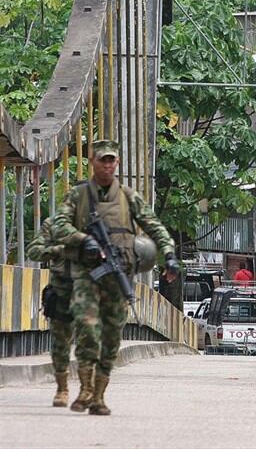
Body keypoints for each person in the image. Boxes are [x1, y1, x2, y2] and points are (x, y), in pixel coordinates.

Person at [53, 140, 179, 415]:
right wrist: (83, 239)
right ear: (92, 162)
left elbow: (154, 226)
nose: (107, 165)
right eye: (102, 160)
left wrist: (169, 254)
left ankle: (98, 396)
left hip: (119, 276)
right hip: (87, 276)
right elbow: (58, 224)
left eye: (112, 161)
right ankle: (85, 388)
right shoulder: (78, 195)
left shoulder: (129, 197)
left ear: (117, 163)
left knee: (111, 339)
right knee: (87, 328)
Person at [26, 217, 80, 407]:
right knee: (60, 345)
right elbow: (33, 251)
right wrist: (59, 250)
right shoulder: (55, 224)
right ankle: (62, 388)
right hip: (62, 292)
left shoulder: (104, 221)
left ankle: (90, 389)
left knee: (91, 342)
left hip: (91, 292)